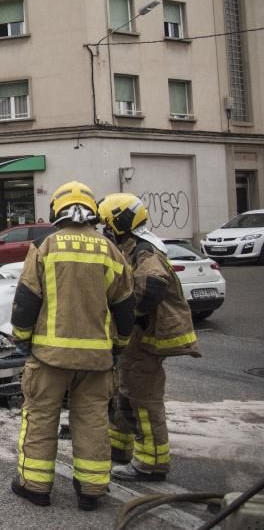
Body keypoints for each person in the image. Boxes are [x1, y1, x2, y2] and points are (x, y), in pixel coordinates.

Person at [9, 181, 136, 511]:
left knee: (40, 417)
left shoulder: (45, 246)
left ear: (56, 211)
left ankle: (35, 486)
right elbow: (124, 305)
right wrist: (119, 344)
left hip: (49, 357)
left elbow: (26, 301)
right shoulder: (111, 251)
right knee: (93, 420)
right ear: (92, 212)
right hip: (96, 359)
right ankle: (91, 490)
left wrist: (21, 338)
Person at [97, 193, 200, 482]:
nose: (105, 231)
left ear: (122, 222)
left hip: (147, 338)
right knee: (124, 392)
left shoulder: (144, 250)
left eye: (108, 225)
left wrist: (132, 316)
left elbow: (153, 283)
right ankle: (118, 448)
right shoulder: (134, 245)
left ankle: (151, 464)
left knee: (143, 398)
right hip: (139, 339)